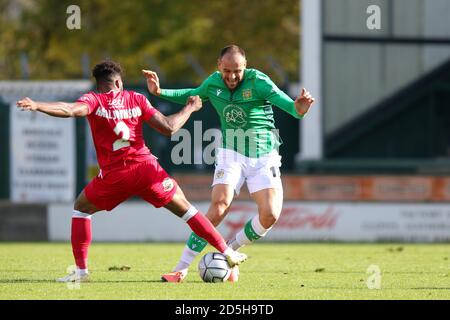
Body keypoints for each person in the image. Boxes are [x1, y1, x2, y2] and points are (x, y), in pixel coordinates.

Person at [16, 60, 247, 283]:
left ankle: (81, 272)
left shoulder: (93, 100)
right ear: (118, 83)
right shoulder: (136, 98)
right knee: (188, 211)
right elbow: (169, 127)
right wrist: (189, 107)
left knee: (81, 209)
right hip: (147, 170)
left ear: (100, 84)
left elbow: (70, 110)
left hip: (115, 176)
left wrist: (38, 105)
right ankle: (228, 251)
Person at [143, 45, 315, 283]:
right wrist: (159, 91)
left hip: (264, 156)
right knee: (219, 207)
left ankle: (229, 251)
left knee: (270, 215)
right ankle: (180, 268)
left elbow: (291, 108)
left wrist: (300, 108)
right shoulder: (213, 83)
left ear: (245, 67)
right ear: (218, 66)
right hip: (231, 151)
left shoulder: (259, 82)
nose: (232, 76)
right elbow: (192, 94)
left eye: (237, 71)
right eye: (227, 70)